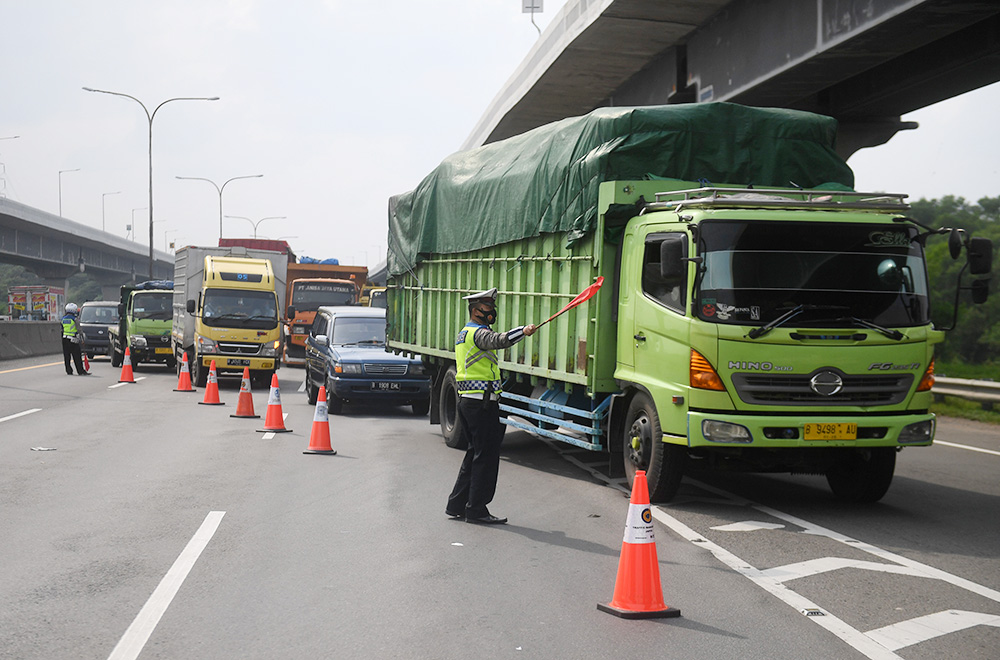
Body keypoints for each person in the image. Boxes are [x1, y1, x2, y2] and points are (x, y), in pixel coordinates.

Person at [446, 287, 537, 525]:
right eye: (487, 308)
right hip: (481, 404)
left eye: (492, 308)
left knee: (474, 454)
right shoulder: (478, 333)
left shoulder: (464, 333)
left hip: (469, 402)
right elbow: (498, 340)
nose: (491, 312)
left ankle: (457, 504)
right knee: (485, 457)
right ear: (475, 311)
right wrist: (522, 331)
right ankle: (476, 509)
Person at [61, 303, 89, 375]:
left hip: (65, 339)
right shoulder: (75, 319)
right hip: (73, 339)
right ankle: (80, 371)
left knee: (67, 356)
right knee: (77, 356)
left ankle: (69, 371)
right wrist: (82, 339)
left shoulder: (63, 319)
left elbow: (62, 329)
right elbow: (79, 330)